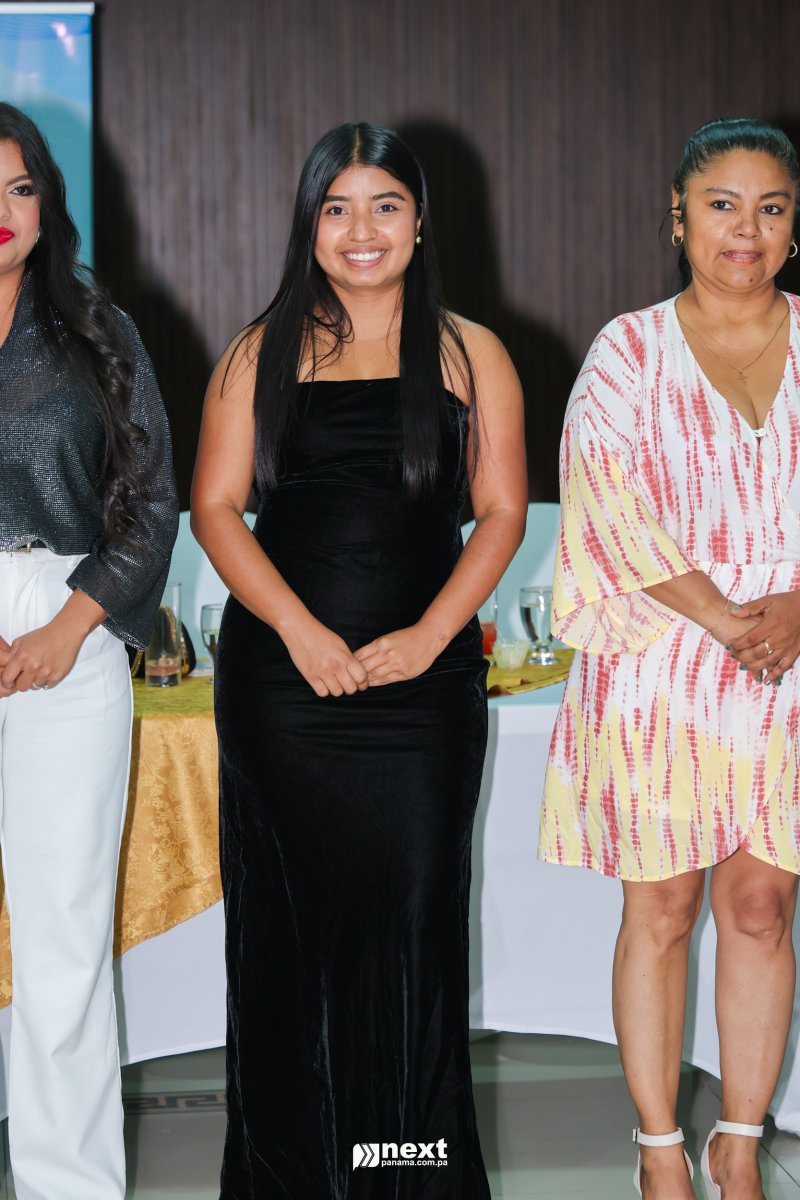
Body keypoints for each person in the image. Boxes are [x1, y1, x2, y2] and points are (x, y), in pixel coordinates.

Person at [191, 121, 526, 1198]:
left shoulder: (472, 351)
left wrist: (431, 637)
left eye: (384, 205)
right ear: (309, 225)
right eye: (335, 208)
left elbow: (502, 512)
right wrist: (300, 632)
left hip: (423, 696)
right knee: (289, 936)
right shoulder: (258, 349)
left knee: (413, 936)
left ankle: (404, 1178)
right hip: (282, 690)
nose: (360, 229)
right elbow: (215, 508)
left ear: (420, 222)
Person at [539, 116, 800, 1200]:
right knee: (661, 908)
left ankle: (739, 1140)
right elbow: (602, 501)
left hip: (792, 662)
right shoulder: (627, 350)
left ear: (793, 226)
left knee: (761, 907)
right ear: (678, 218)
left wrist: (794, 607)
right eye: (722, 205)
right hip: (659, 662)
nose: (746, 229)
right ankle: (658, 1149)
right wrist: (726, 618)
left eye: (770, 208)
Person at [0, 103, 178, 1197]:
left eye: (18, 188)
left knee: (64, 941)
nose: (1, 211)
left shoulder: (95, 327)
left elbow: (151, 501)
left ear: (46, 203)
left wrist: (70, 626)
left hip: (70, 620)